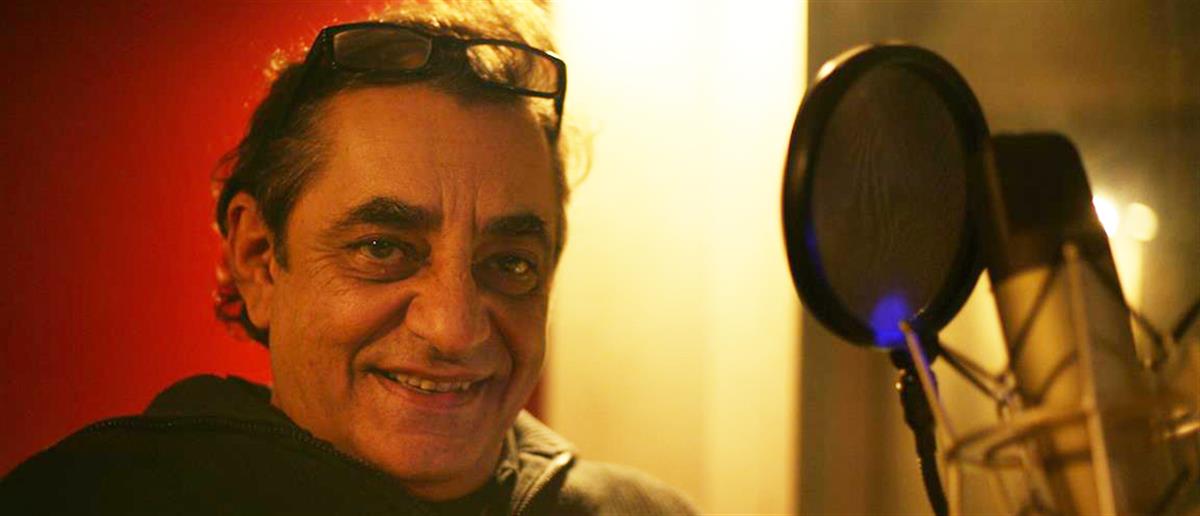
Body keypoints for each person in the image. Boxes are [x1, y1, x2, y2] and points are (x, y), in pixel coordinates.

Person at [0, 1, 696, 514]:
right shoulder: (84, 499)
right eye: (382, 249)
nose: (455, 330)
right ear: (259, 259)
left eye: (509, 263)